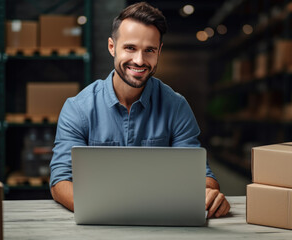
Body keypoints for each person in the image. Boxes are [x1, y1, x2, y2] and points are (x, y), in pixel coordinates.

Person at [49, 1, 230, 219]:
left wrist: (209, 194)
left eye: (149, 50)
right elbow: (60, 181)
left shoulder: (176, 106)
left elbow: (201, 175)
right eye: (130, 48)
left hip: (162, 222)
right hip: (99, 222)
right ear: (111, 47)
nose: (139, 60)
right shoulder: (78, 108)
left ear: (159, 51)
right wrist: (115, 212)